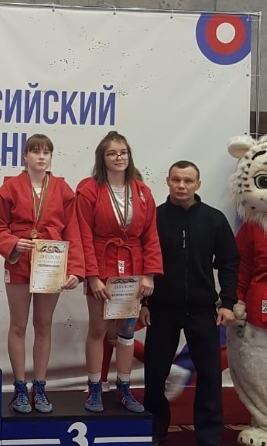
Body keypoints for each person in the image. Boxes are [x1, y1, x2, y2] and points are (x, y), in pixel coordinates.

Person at [0, 134, 84, 413]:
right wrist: (12, 243)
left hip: (50, 263)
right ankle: (20, 387)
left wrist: (76, 269)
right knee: (18, 325)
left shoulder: (63, 189)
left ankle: (39, 387)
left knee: (43, 325)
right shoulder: (9, 188)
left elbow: (73, 230)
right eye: (35, 151)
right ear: (25, 156)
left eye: (46, 152)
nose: (41, 157)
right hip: (19, 262)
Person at [141, 161, 237, 446]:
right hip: (161, 309)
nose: (181, 186)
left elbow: (229, 263)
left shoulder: (214, 219)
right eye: (176, 180)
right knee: (155, 373)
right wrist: (142, 303)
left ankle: (209, 436)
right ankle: (155, 430)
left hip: (202, 310)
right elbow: (142, 264)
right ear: (168, 181)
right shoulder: (153, 219)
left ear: (198, 184)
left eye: (187, 181)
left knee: (209, 375)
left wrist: (227, 302)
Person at [75, 131, 163, 413]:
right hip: (102, 264)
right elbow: (83, 235)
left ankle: (124, 387)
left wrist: (149, 274)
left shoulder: (142, 192)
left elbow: (150, 235)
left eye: (123, 152)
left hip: (133, 266)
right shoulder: (89, 190)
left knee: (126, 331)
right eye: (112, 153)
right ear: (102, 158)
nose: (118, 157)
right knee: (98, 329)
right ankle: (95, 387)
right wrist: (92, 276)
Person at [100, 167, 144, 390]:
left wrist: (146, 301)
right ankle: (100, 381)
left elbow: (149, 245)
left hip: (133, 275)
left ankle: (123, 385)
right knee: (105, 330)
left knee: (126, 331)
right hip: (107, 270)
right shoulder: (102, 203)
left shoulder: (143, 204)